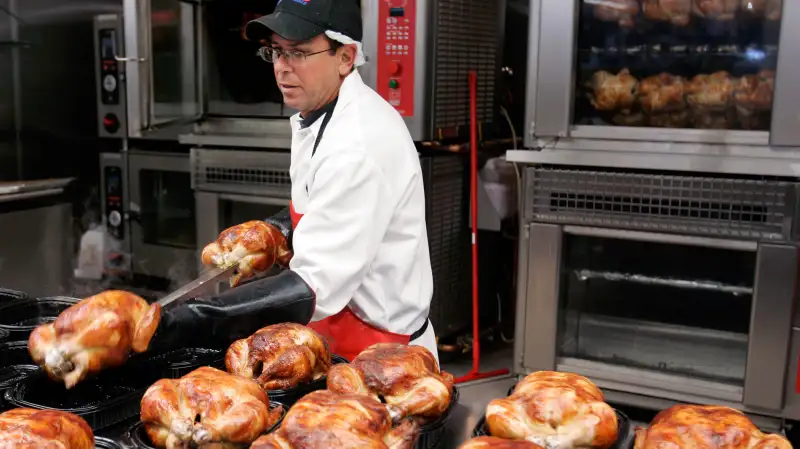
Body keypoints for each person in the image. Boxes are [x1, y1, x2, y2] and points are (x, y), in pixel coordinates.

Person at [164, 0, 437, 363]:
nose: (281, 68)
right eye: (276, 52)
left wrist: (195, 319)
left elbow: (314, 285)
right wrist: (275, 230)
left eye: (298, 53)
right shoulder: (321, 112)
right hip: (337, 337)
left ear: (345, 57)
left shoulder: (359, 140)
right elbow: (324, 204)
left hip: (384, 357)